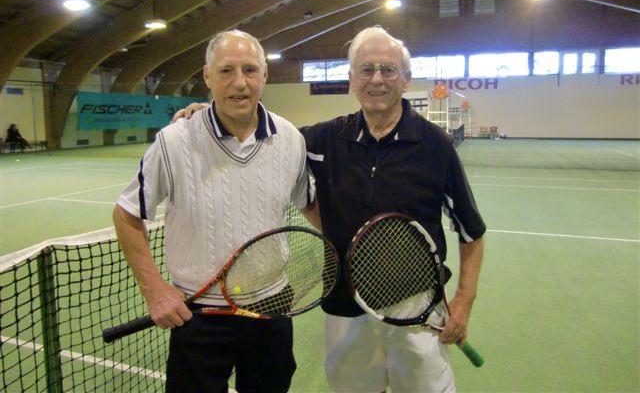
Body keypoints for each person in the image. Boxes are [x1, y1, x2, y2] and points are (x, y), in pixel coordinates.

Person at [174, 26, 486, 392]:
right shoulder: (322, 139)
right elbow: (263, 130)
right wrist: (208, 115)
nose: (377, 79)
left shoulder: (436, 146)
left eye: (388, 70)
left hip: (413, 308)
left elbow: (472, 233)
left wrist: (463, 302)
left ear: (406, 79)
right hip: (343, 307)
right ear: (352, 79)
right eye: (366, 70)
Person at [113, 29, 315, 393]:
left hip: (272, 306)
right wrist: (156, 291)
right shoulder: (174, 141)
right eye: (226, 71)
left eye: (250, 70)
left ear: (264, 75)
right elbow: (127, 213)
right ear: (207, 76)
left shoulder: (290, 139)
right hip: (200, 314)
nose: (240, 83)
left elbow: (309, 202)